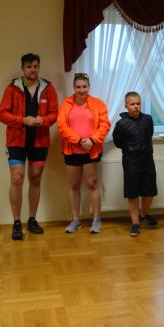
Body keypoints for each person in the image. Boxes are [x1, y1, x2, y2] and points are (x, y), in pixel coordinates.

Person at [0, 53, 59, 241]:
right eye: (29, 66)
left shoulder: (48, 88)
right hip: (16, 141)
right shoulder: (12, 88)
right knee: (17, 178)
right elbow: (2, 114)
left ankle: (32, 220)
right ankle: (16, 223)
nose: (33, 70)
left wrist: (43, 120)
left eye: (36, 66)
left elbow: (54, 114)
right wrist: (22, 120)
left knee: (35, 179)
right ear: (23, 68)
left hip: (39, 141)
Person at [57, 73, 110, 234]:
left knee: (92, 184)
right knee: (74, 185)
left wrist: (92, 140)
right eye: (78, 87)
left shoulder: (98, 104)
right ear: (74, 88)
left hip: (91, 151)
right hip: (72, 150)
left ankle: (96, 219)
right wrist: (80, 141)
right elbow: (62, 126)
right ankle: (75, 220)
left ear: (89, 87)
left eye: (84, 86)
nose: (81, 90)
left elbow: (105, 125)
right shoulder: (66, 104)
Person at [112, 92, 159, 237]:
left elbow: (149, 135)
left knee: (149, 192)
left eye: (138, 103)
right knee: (132, 194)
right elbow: (117, 142)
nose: (136, 106)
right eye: (132, 104)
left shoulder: (148, 120)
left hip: (147, 160)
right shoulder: (121, 124)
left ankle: (144, 214)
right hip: (131, 162)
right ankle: (135, 223)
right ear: (126, 106)